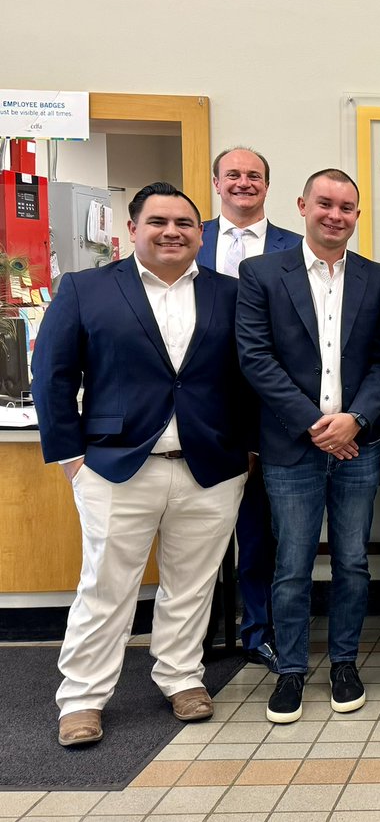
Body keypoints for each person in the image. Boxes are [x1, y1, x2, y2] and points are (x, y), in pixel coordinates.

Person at [33, 183, 251, 746]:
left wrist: (247, 452)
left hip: (210, 467)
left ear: (200, 233)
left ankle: (181, 677)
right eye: (158, 222)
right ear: (132, 230)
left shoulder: (230, 293)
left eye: (184, 223)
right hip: (114, 465)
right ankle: (81, 698)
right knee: (105, 586)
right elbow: (52, 375)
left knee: (193, 585)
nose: (171, 232)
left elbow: (249, 378)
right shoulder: (85, 289)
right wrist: (71, 458)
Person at [236, 168, 380, 724]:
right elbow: (255, 357)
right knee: (291, 564)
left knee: (352, 561)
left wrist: (355, 419)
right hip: (291, 446)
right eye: (325, 204)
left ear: (357, 215)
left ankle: (345, 663)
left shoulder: (377, 278)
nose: (335, 215)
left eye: (346, 207)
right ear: (303, 206)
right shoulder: (261, 273)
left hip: (358, 445)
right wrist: (315, 424)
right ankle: (291, 670)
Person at [198, 146, 302, 672]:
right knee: (194, 533)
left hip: (268, 408)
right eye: (233, 175)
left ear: (267, 184)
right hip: (202, 406)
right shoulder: (189, 240)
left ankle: (258, 630)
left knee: (261, 531)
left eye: (254, 175)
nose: (244, 182)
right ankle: (191, 637)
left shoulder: (296, 248)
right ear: (217, 183)